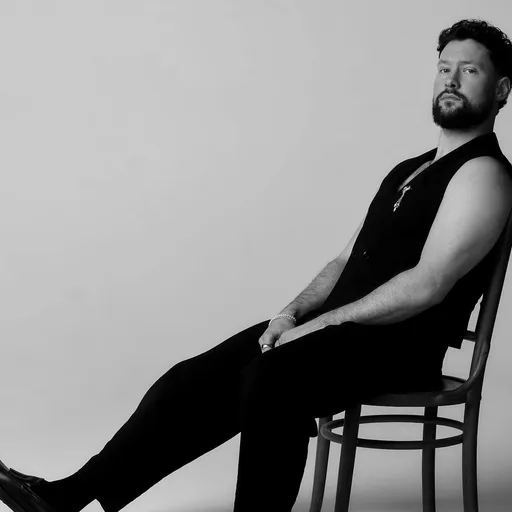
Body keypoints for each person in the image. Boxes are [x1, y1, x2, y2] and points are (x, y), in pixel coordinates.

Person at [1, 17, 512, 512]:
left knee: (273, 381)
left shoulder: (483, 174)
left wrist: (319, 327)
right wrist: (289, 317)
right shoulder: (409, 168)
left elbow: (428, 284)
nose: (451, 80)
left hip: (397, 345)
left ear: (501, 90)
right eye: (444, 68)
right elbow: (342, 260)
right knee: (194, 379)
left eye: (470, 70)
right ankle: (65, 497)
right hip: (336, 332)